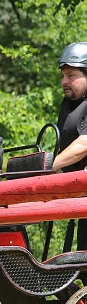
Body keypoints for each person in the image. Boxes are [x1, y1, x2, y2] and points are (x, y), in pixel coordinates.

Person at [51, 42, 87, 251]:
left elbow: (84, 144)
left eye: (71, 76)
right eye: (62, 76)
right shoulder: (70, 103)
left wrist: (49, 165)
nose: (65, 81)